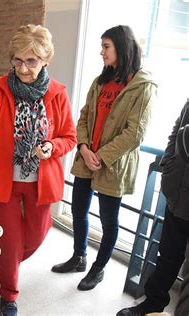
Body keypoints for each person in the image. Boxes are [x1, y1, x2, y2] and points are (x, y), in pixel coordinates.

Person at [0, 24, 77, 316]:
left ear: (45, 60)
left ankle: (6, 267)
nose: (23, 68)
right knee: (8, 239)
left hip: (39, 181)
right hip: (4, 179)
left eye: (31, 61)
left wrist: (51, 148)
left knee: (35, 237)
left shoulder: (57, 94)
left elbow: (69, 137)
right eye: (17, 60)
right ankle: (9, 295)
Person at [51, 25, 157, 292]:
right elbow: (84, 116)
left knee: (109, 219)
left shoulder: (143, 86)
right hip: (87, 157)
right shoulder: (101, 81)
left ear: (122, 47)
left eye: (106, 47)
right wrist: (84, 148)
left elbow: (135, 133)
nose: (101, 52)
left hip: (112, 164)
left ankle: (98, 269)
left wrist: (100, 156)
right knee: (78, 209)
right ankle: (79, 257)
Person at [117, 99, 189, 316]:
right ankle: (152, 304)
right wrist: (169, 163)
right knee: (167, 255)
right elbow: (177, 130)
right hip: (177, 193)